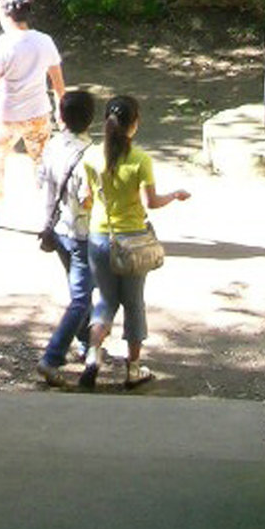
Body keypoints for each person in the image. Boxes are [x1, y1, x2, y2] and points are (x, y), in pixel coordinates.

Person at [78, 93, 189, 390]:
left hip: (99, 236)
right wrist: (175, 195)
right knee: (134, 303)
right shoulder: (140, 160)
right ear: (134, 125)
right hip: (132, 241)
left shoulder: (91, 157)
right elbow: (149, 202)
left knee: (105, 299)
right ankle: (134, 368)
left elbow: (87, 198)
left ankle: (92, 355)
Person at [0, 0, 65, 227]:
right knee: (42, 163)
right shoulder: (45, 41)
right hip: (39, 114)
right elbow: (57, 83)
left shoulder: (1, 44)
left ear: (4, 14)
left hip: (7, 116)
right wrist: (61, 112)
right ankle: (51, 215)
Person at [36, 88, 95, 384]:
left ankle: (87, 344)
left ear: (61, 116)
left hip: (55, 228)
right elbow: (89, 198)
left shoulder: (52, 145)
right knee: (83, 298)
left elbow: (40, 180)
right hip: (81, 233)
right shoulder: (90, 153)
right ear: (92, 119)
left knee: (78, 290)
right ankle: (52, 357)